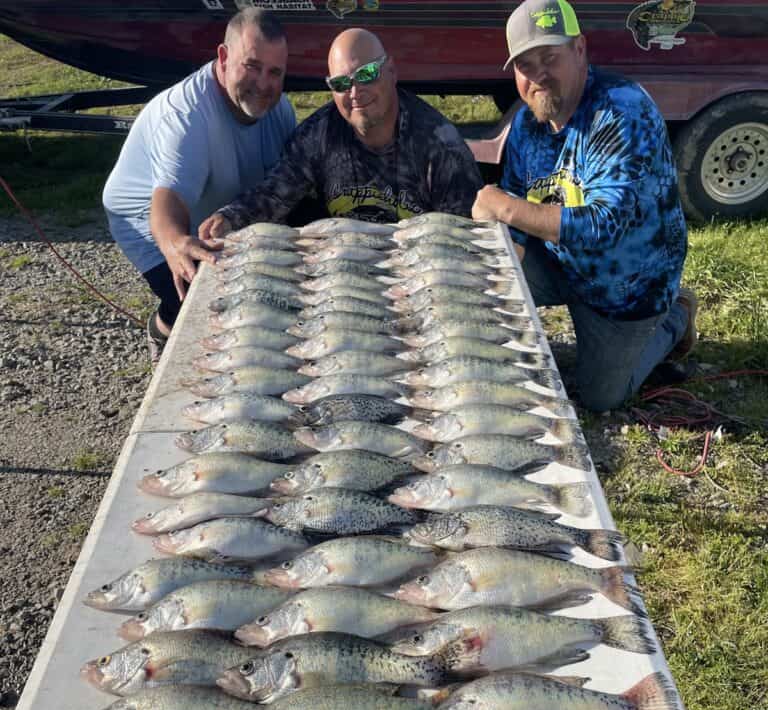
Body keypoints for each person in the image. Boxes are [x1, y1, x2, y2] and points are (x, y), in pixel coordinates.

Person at [472, 0, 697, 412]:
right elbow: (517, 201)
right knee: (481, 277)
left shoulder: (622, 111)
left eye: (549, 57)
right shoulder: (526, 124)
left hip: (627, 290)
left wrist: (504, 208)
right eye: (524, 65)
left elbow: (604, 227)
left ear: (580, 49)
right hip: (562, 261)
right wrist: (510, 275)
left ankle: (674, 318)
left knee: (600, 398)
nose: (537, 75)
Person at [102, 9, 296, 359]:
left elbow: (290, 181)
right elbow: (167, 201)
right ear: (223, 57)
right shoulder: (187, 116)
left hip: (223, 207)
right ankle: (162, 327)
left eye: (275, 72)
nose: (264, 84)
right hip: (150, 219)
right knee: (203, 302)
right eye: (251, 66)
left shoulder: (279, 108)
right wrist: (176, 243)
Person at [198, 28, 483, 237]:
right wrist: (229, 219)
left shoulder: (441, 146)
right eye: (341, 83)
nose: (355, 92)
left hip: (415, 276)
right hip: (340, 268)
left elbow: (463, 235)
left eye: (367, 74)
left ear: (392, 71)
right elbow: (275, 194)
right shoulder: (317, 136)